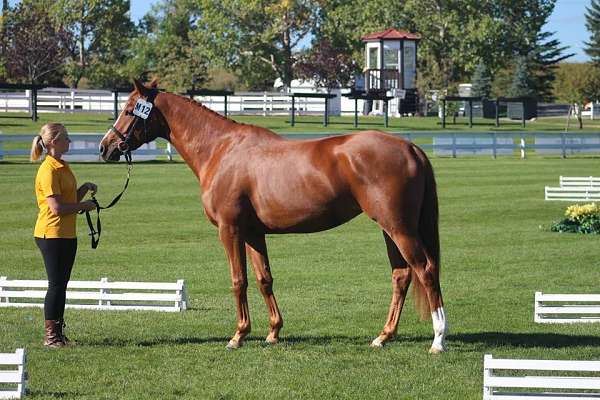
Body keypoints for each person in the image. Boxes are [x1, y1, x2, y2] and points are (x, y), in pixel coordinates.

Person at [30, 123, 97, 347]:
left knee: (62, 284)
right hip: (52, 233)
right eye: (66, 138)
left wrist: (84, 189)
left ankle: (58, 333)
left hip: (66, 233)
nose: (69, 141)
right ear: (53, 142)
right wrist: (84, 206)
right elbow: (56, 208)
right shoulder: (48, 170)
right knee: (56, 284)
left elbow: (68, 200)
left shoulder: (61, 165)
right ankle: (51, 337)